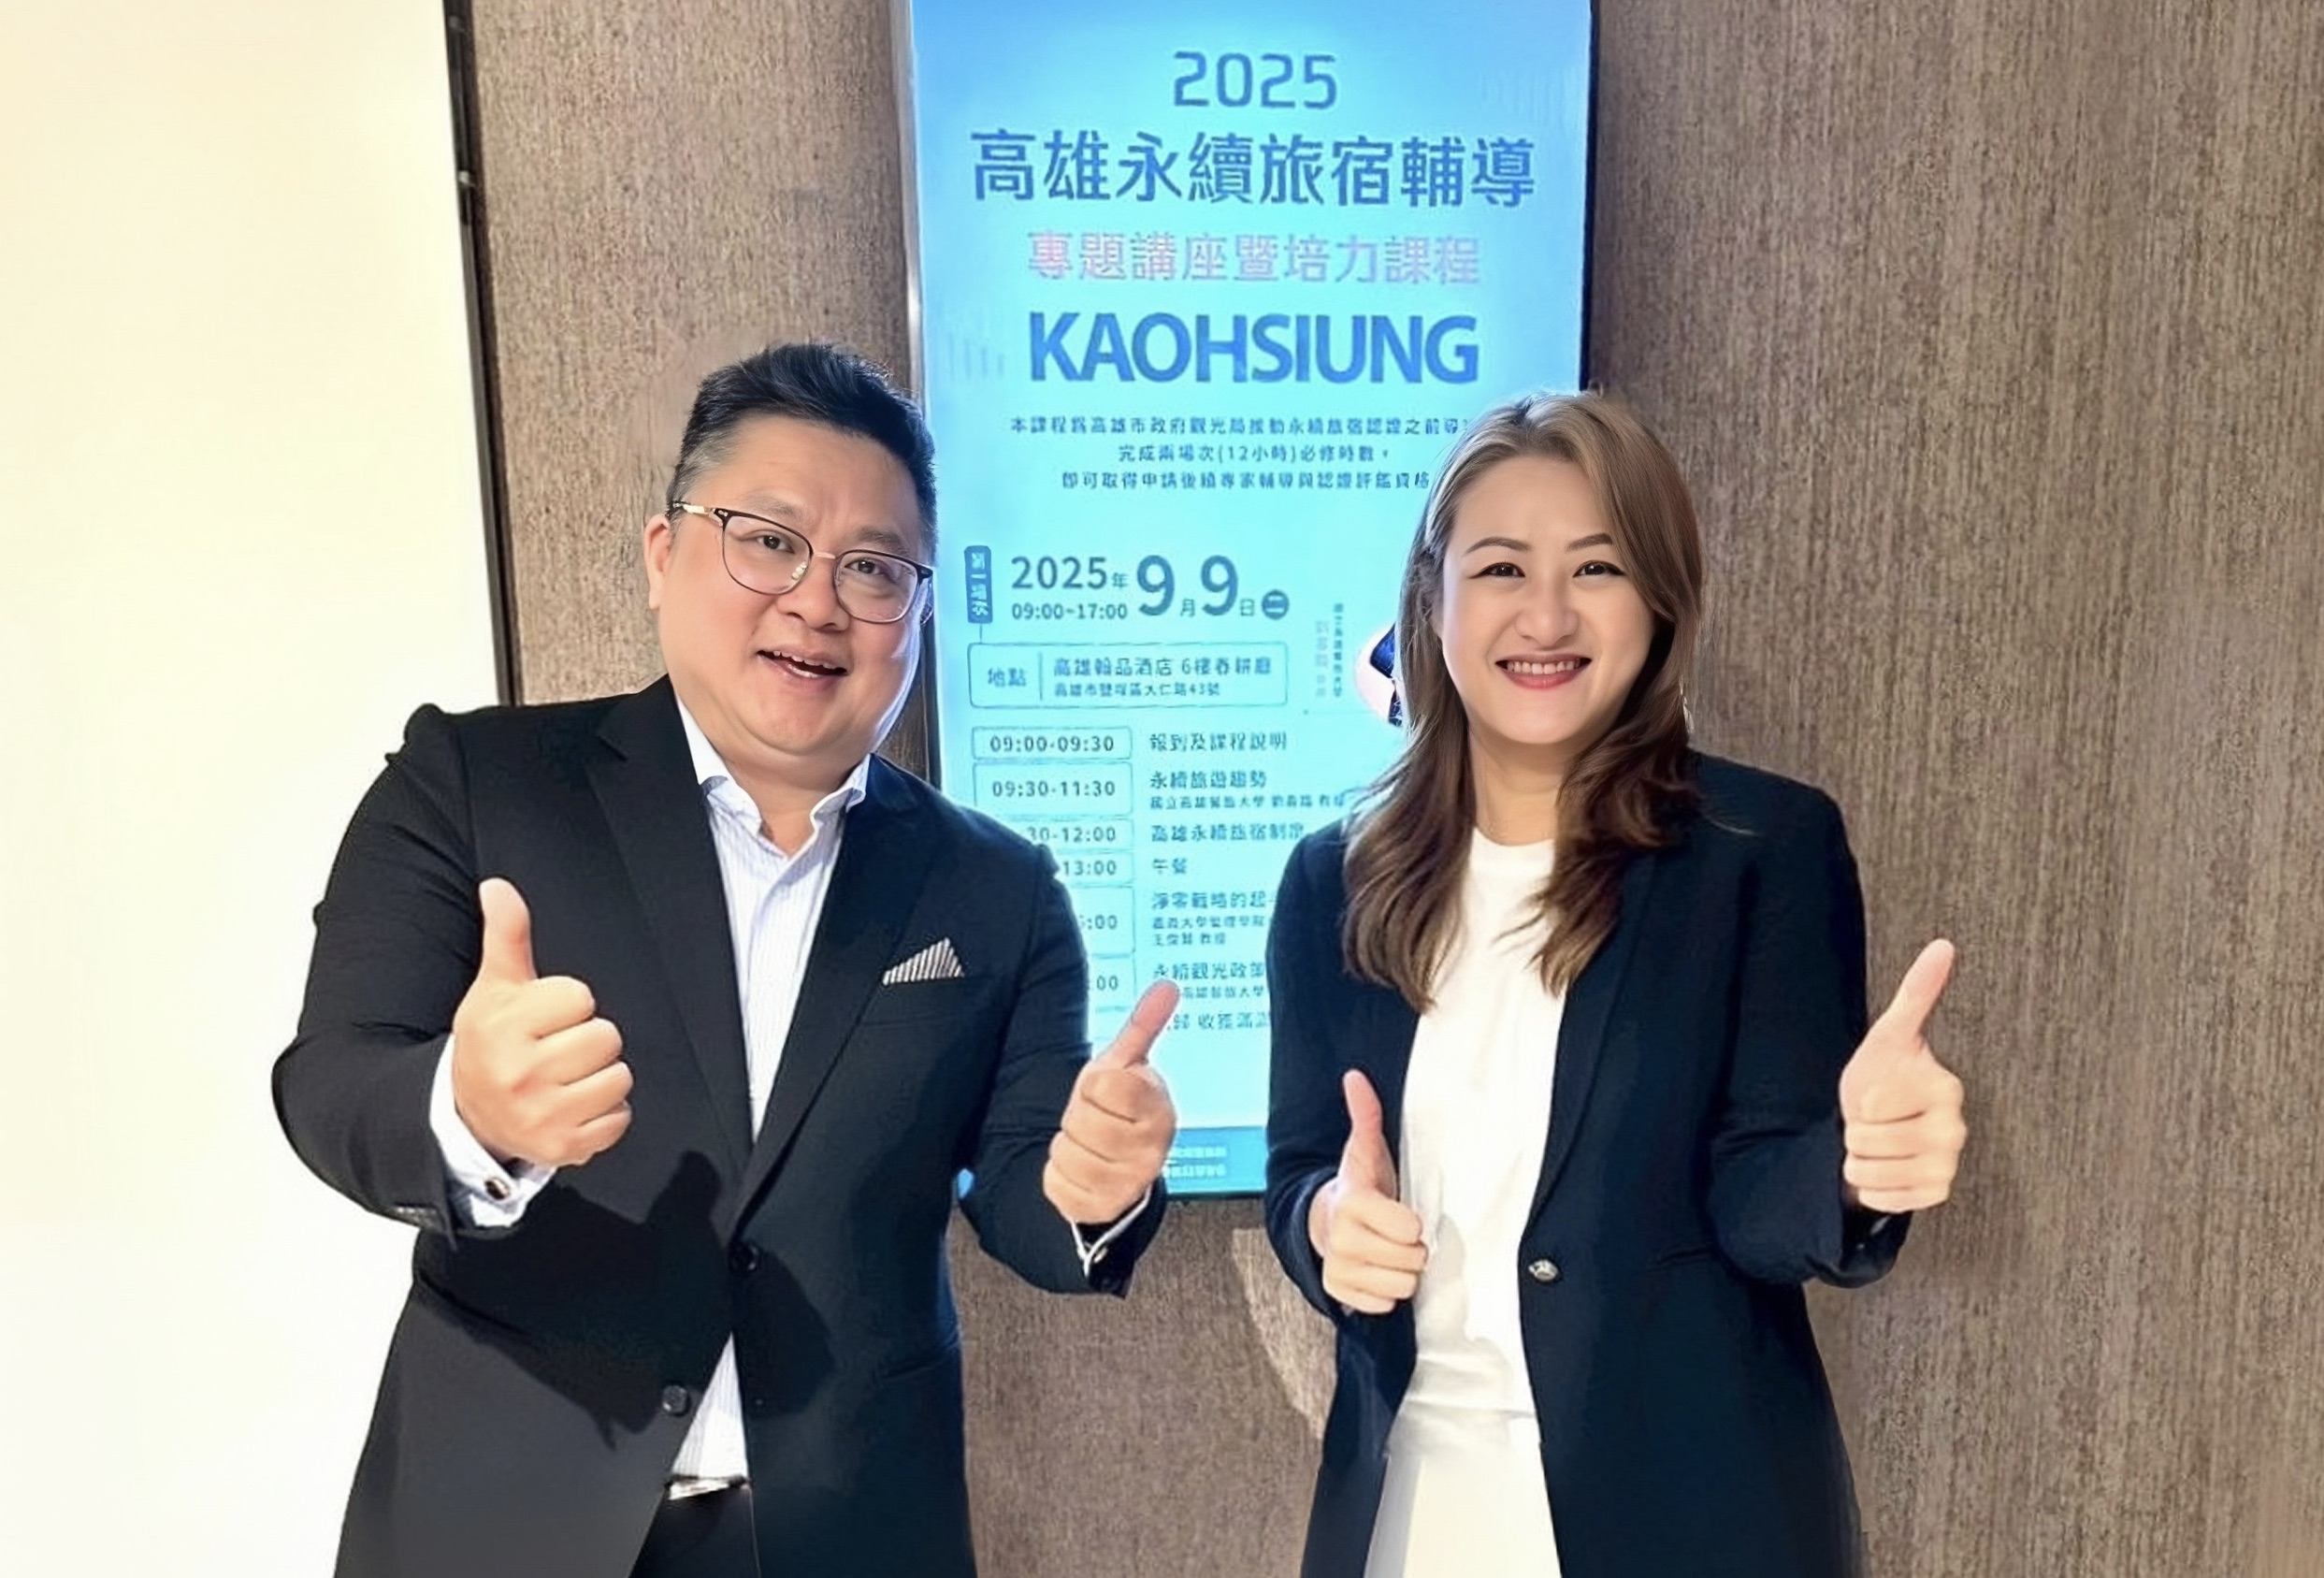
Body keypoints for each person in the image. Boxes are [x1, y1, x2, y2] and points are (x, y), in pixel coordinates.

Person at [274, 343, 1178, 1578]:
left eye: (874, 567)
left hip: (851, 1534)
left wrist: (1093, 1186)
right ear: (664, 554)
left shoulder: (995, 884)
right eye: (767, 540)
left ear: (918, 610)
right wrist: (467, 1109)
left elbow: (1025, 1187)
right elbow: (332, 1080)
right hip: (505, 1522)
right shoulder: (475, 785)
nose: (818, 601)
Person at [1263, 393, 1968, 1578]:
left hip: (1685, 1516)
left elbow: (1756, 1191)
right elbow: (1301, 1168)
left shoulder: (1760, 847)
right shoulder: (1334, 880)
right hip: (1410, 1513)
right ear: (1431, 599)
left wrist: (1853, 1169)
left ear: (1659, 600)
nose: (1545, 615)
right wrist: (1328, 1223)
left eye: (1596, 566)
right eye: (1501, 567)